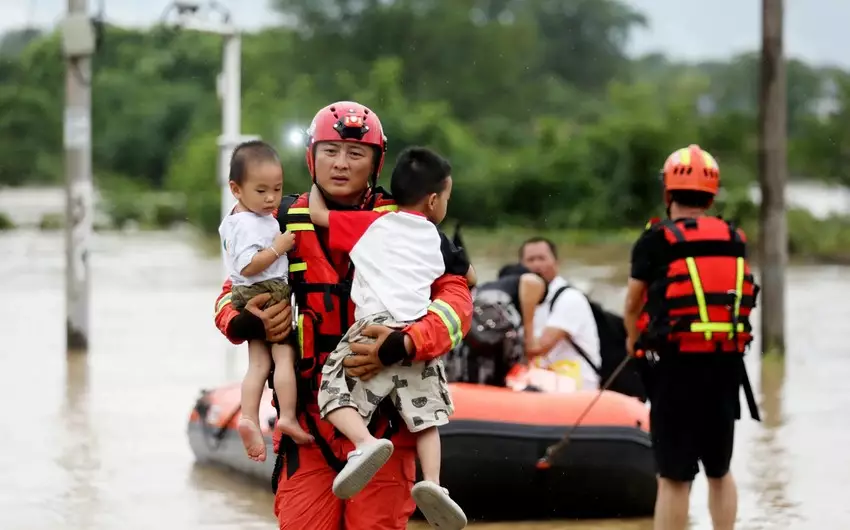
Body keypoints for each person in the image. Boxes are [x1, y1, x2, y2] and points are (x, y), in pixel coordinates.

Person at [213, 101, 473, 530]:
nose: (341, 164)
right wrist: (244, 322)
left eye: (355, 154)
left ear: (376, 162)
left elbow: (456, 301)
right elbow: (230, 291)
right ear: (312, 157)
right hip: (311, 423)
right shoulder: (274, 220)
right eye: (330, 151)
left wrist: (404, 343)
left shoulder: (407, 223)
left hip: (389, 423)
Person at [308, 146, 472, 528]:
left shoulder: (369, 224)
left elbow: (317, 215)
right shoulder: (440, 241)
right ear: (433, 200)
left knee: (331, 389)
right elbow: (468, 278)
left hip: (373, 325)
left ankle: (363, 443)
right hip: (416, 328)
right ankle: (432, 483)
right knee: (428, 418)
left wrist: (315, 185)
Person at [622, 144, 760, 530]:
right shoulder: (734, 238)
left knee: (673, 477)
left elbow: (633, 305)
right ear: (712, 194)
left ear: (668, 193)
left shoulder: (654, 240)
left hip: (674, 367)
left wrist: (635, 344)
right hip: (725, 365)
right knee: (720, 470)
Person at [217, 141, 312, 462]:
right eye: (261, 191)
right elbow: (247, 265)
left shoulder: (238, 218)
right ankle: (286, 416)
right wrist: (279, 247)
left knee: (258, 364)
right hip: (268, 291)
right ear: (236, 189)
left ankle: (247, 417)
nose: (271, 199)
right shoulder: (249, 223)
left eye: (277, 189)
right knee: (283, 357)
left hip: (246, 296)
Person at [518, 237, 601, 391]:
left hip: (576, 382)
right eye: (530, 260)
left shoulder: (569, 298)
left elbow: (536, 349)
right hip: (543, 376)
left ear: (556, 262)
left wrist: (527, 305)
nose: (536, 265)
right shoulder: (518, 297)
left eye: (542, 258)